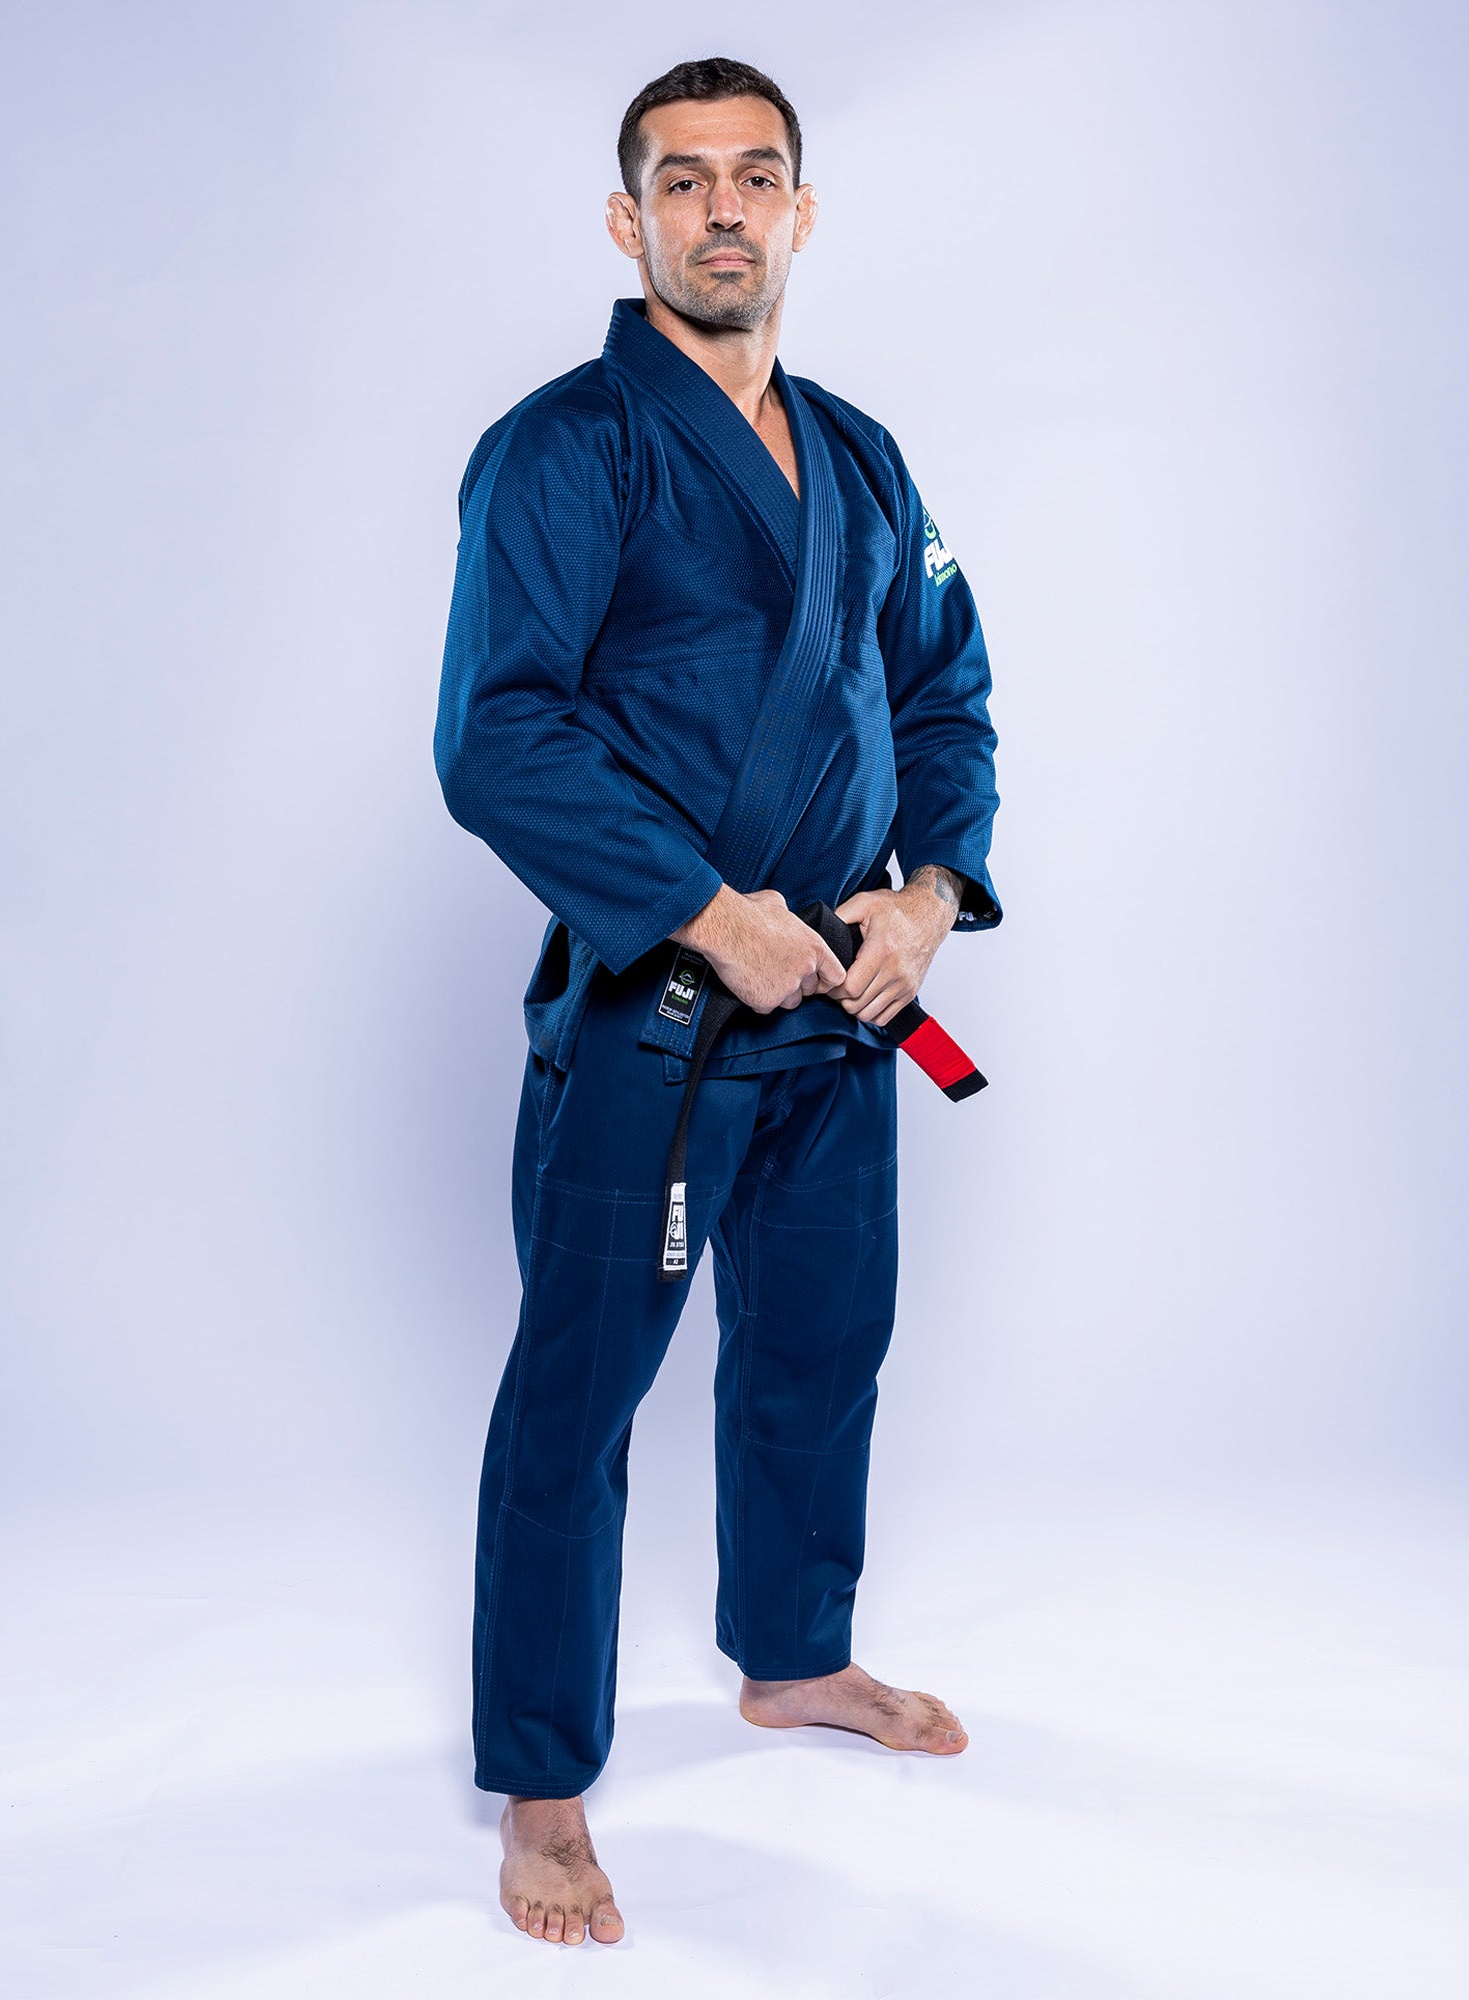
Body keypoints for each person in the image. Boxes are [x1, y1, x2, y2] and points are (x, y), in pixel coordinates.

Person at [433, 56, 1001, 1947]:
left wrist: (927, 896)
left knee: (821, 1348)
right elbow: (494, 739)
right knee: (576, 1403)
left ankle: (792, 1656)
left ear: (803, 212)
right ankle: (540, 1783)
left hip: (845, 1014)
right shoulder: (562, 448)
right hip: (653, 1028)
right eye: (684, 183)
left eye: (758, 176)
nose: (724, 209)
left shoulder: (862, 456)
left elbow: (942, 690)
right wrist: (704, 914)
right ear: (632, 222)